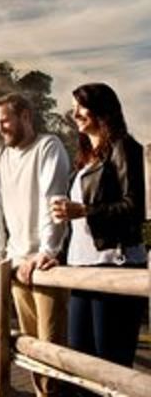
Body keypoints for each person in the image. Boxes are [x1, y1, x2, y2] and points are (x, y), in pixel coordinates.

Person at [50, 83, 146, 387]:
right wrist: (55, 256)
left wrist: (85, 210)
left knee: (112, 365)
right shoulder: (85, 158)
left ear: (102, 109)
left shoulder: (124, 146)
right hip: (81, 268)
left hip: (114, 265)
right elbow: (75, 227)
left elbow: (133, 208)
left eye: (81, 106)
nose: (74, 113)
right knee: (81, 362)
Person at [0, 92, 71, 397]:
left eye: (5, 120)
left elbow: (54, 199)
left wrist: (47, 250)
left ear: (25, 116)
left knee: (52, 345)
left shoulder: (49, 147)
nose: (1, 128)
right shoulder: (1, 157)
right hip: (17, 262)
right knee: (30, 347)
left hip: (44, 265)